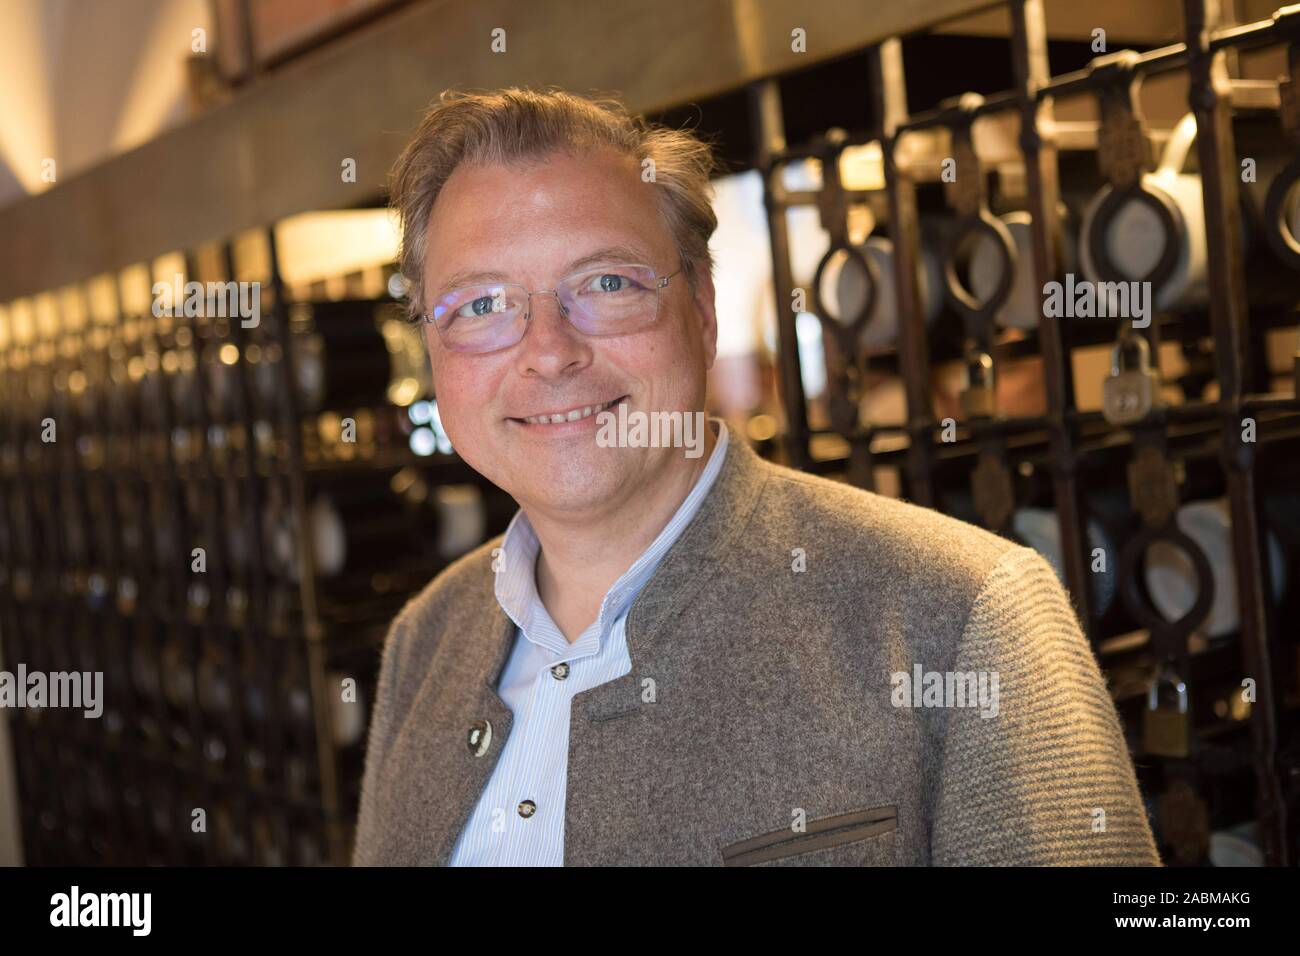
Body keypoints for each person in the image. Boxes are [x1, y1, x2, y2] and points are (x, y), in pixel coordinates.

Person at [351, 87, 1160, 866]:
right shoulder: (425, 641)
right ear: (432, 346)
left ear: (703, 309)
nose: (550, 351)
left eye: (606, 284)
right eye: (482, 304)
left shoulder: (961, 612)